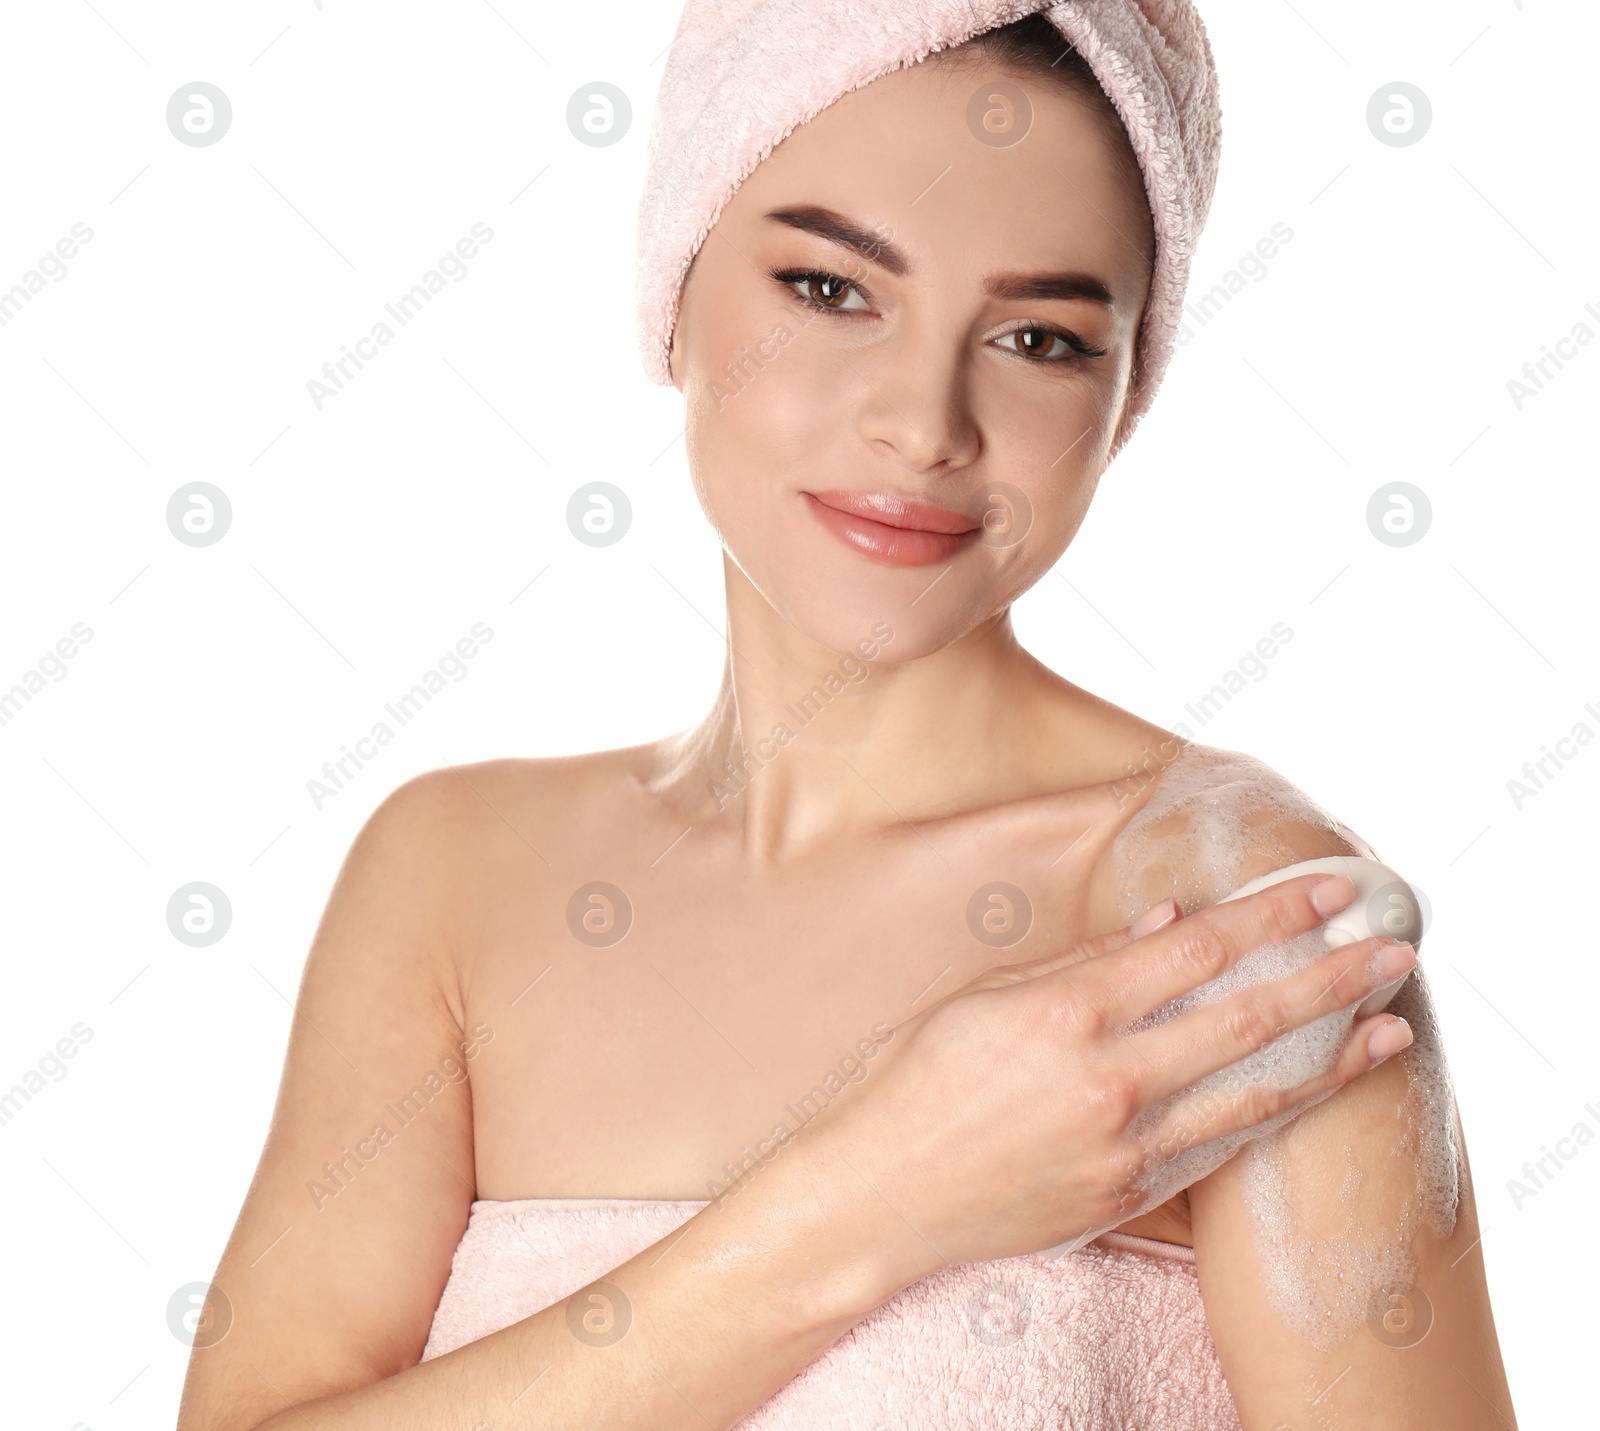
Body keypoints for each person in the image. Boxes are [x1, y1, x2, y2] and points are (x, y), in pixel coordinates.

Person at [177, 5, 1515, 1428]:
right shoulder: (451, 875)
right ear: (671, 288)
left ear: (1127, 398)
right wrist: (872, 1195)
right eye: (830, 291)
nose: (923, 423)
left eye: (1041, 338)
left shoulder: (1234, 927)